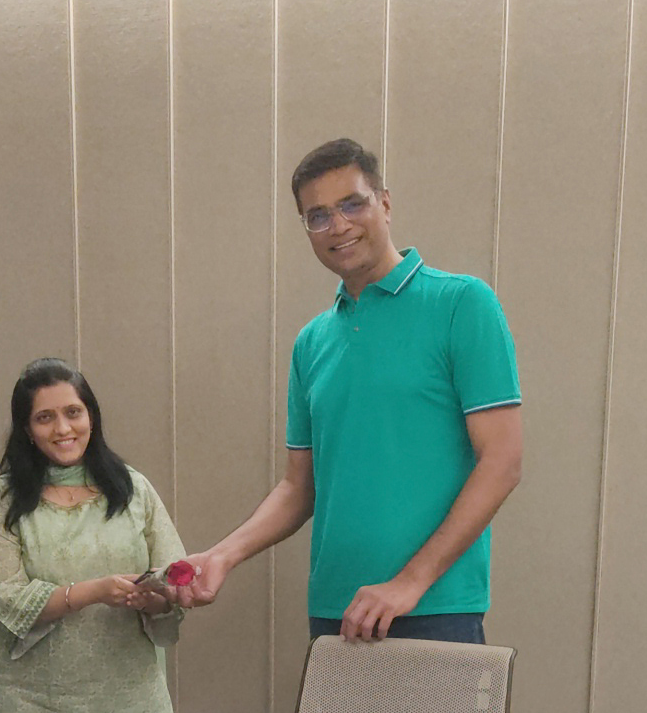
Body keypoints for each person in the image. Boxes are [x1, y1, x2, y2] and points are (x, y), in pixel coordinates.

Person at [176, 138, 522, 644]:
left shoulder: (461, 304)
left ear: (385, 203)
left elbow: (503, 462)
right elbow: (299, 487)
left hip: (435, 608)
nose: (337, 225)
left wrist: (409, 583)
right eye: (317, 216)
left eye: (352, 204)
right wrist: (221, 556)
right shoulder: (312, 342)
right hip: (337, 615)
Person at [0, 358, 185, 713]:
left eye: (73, 412)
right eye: (44, 417)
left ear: (92, 416)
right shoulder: (2, 500)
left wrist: (153, 599)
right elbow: (4, 595)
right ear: (26, 428)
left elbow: (174, 581)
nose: (63, 428)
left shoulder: (133, 489)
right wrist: (92, 592)